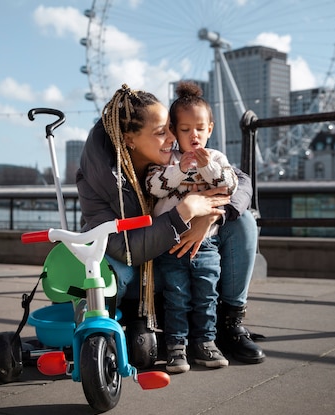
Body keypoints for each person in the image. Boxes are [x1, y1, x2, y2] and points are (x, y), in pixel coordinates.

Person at [76, 84, 265, 366]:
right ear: (130, 140)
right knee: (114, 269)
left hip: (191, 247)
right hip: (139, 261)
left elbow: (240, 181)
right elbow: (122, 248)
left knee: (244, 221)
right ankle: (132, 320)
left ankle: (229, 323)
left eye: (170, 129)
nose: (173, 137)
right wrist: (185, 211)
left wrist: (210, 215)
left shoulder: (181, 150)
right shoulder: (101, 176)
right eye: (162, 132)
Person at [145, 81, 236, 373]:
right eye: (184, 130)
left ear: (210, 128)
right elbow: (155, 187)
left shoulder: (218, 158)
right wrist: (180, 169)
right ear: (173, 131)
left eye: (199, 128)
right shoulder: (166, 161)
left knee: (207, 294)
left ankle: (206, 342)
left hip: (207, 243)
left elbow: (228, 186)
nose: (193, 135)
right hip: (170, 243)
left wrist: (207, 167)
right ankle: (176, 346)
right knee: (177, 295)